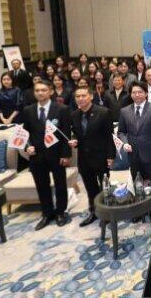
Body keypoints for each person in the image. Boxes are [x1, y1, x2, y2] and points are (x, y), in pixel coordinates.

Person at [20, 80, 72, 230]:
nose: (40, 93)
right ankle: (47, 213)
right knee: (41, 186)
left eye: (43, 90)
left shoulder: (62, 109)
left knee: (60, 184)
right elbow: (25, 133)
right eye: (37, 90)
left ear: (50, 91)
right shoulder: (28, 110)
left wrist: (66, 155)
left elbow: (66, 134)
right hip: (37, 155)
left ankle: (60, 212)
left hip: (56, 154)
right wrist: (27, 146)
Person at [68, 87, 115, 227]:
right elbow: (75, 133)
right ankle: (94, 212)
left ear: (91, 96)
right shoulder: (74, 115)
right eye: (77, 96)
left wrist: (110, 156)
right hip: (84, 158)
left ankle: (108, 213)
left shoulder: (103, 112)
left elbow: (109, 136)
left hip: (101, 157)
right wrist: (74, 140)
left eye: (83, 95)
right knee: (90, 188)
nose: (80, 99)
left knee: (104, 187)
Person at [117, 82, 151, 186]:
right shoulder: (124, 111)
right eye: (134, 92)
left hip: (150, 154)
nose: (137, 95)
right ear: (130, 94)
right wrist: (124, 143)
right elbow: (121, 132)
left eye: (140, 92)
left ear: (146, 93)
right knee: (137, 183)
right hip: (132, 154)